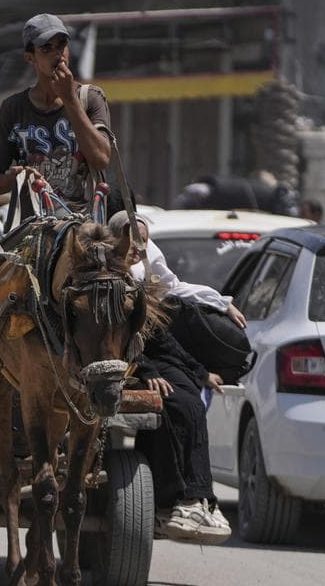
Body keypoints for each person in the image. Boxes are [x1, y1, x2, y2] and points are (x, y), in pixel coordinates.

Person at [109, 212, 233, 544]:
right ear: (114, 239)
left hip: (151, 357)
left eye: (143, 240)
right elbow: (113, 340)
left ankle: (195, 500)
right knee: (176, 404)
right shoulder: (103, 282)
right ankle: (185, 497)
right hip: (124, 362)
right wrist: (145, 372)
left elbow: (161, 337)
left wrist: (200, 371)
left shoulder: (141, 279)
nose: (137, 246)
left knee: (190, 397)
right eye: (130, 237)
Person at [0, 13, 112, 224]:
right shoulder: (14, 108)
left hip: (82, 224)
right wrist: (17, 177)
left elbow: (101, 159)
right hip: (32, 226)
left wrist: (70, 99)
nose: (57, 54)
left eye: (61, 45)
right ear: (30, 57)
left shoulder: (90, 98)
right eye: (46, 48)